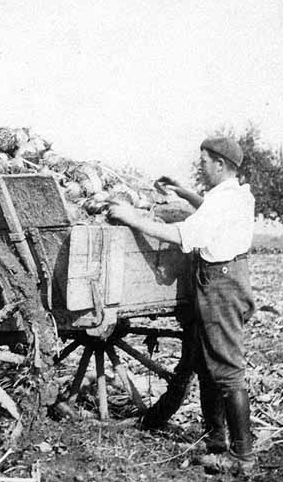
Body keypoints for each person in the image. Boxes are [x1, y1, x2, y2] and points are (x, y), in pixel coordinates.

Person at [108, 137, 256, 474]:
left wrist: (132, 218)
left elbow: (180, 234)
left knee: (228, 368)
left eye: (205, 160)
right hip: (224, 279)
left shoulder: (223, 202)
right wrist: (184, 191)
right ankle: (217, 442)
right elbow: (209, 208)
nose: (201, 164)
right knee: (208, 363)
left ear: (220, 164)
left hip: (221, 285)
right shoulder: (235, 195)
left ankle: (243, 457)